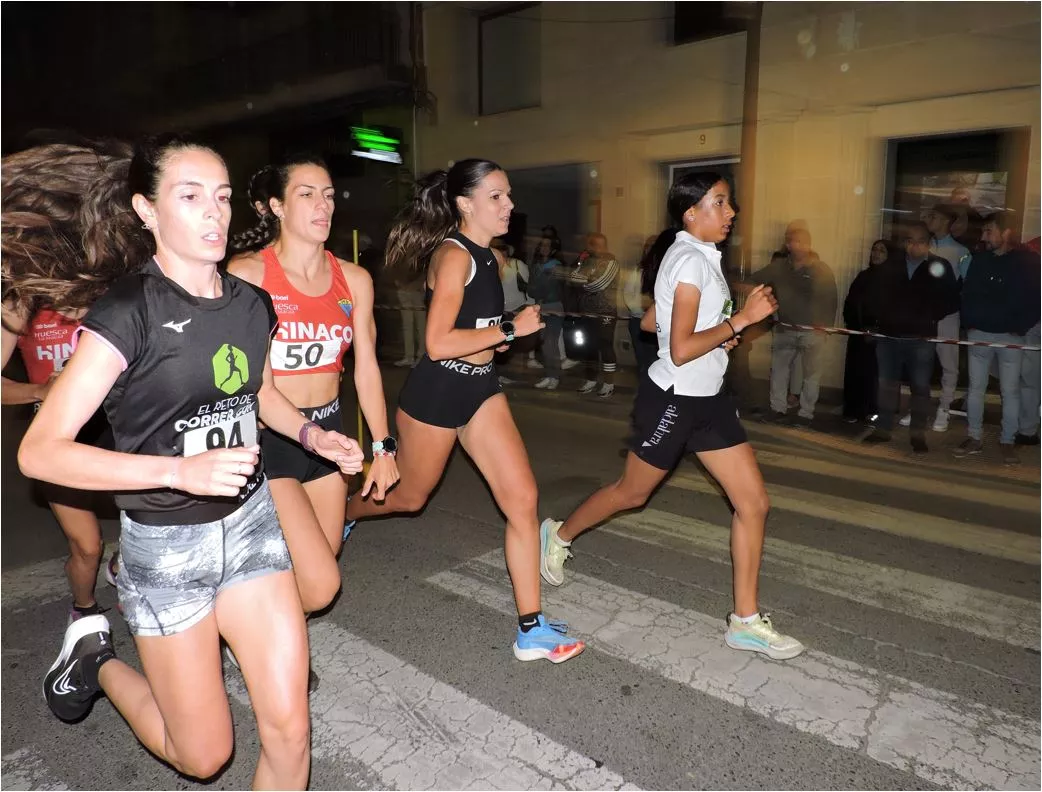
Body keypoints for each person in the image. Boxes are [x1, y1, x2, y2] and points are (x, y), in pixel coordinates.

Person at [11, 135, 364, 789]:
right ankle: (96, 659)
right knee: (203, 756)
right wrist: (177, 471)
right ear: (146, 210)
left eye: (223, 197)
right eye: (191, 196)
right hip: (169, 548)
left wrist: (316, 439)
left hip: (254, 529)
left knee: (291, 733)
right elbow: (40, 451)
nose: (214, 213)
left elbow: (259, 394)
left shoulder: (250, 304)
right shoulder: (127, 313)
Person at [539, 172, 805, 660]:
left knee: (754, 503)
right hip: (675, 400)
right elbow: (679, 349)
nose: (731, 212)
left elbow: (651, 321)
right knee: (631, 492)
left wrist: (719, 331)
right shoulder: (688, 261)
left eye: (729, 204)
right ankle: (557, 534)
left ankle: (744, 621)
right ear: (691, 212)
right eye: (720, 203)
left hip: (711, 400)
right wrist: (740, 321)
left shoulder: (698, 258)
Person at [344, 158, 585, 664]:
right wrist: (508, 332)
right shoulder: (454, 256)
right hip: (436, 396)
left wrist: (496, 339)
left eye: (509, 195)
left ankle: (530, 628)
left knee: (523, 498)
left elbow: (477, 326)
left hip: (480, 390)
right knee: (409, 497)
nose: (509, 206)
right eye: (496, 196)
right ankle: (344, 512)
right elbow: (435, 343)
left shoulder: (493, 259)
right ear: (464, 203)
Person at [228, 154, 399, 620]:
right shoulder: (249, 275)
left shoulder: (355, 280)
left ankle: (269, 650)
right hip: (270, 439)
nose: (323, 206)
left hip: (330, 436)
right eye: (306, 195)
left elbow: (366, 369)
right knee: (321, 585)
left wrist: (383, 448)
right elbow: (247, 381)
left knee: (315, 566)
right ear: (276, 207)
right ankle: (238, 634)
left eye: (327, 195)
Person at [2, 304, 115, 625]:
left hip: (119, 430)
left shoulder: (111, 291)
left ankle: (123, 566)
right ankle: (84, 611)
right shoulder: (22, 305)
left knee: (153, 525)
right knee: (88, 546)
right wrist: (40, 390)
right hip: (59, 438)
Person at [863, 221, 960, 453]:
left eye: (920, 242)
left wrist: (929, 317)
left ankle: (917, 434)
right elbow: (875, 296)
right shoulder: (891, 266)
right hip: (889, 336)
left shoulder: (939, 266)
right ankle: (883, 428)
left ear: (928, 243)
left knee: (920, 387)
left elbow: (952, 299)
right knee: (887, 384)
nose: (914, 246)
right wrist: (877, 322)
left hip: (921, 339)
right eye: (910, 241)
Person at [954, 211, 1041, 463]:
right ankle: (974, 436)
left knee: (1010, 390)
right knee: (976, 388)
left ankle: (1007, 440)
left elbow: (1035, 299)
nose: (984, 236)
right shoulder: (980, 260)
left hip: (1010, 336)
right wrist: (970, 324)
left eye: (988, 230)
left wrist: (1021, 326)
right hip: (979, 334)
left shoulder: (1027, 262)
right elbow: (968, 294)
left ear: (1006, 233)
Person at [751, 222, 838, 426]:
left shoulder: (820, 269)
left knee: (811, 375)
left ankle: (806, 414)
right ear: (788, 245)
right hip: (785, 328)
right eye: (795, 242)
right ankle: (777, 409)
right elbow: (754, 281)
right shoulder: (779, 267)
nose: (800, 246)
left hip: (813, 332)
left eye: (804, 242)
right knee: (779, 371)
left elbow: (831, 298)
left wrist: (825, 326)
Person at [926, 203, 972, 432]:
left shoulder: (961, 252)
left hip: (947, 315)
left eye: (933, 216)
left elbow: (967, 285)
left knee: (948, 363)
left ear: (945, 221)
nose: (928, 219)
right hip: (923, 314)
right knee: (921, 361)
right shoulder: (923, 245)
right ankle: (919, 408)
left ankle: (944, 409)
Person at [841, 239, 895, 423]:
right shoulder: (863, 276)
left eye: (882, 251)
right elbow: (850, 304)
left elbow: (892, 309)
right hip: (858, 334)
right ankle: (853, 410)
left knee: (875, 374)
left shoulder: (892, 280)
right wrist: (857, 326)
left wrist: (878, 328)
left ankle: (873, 410)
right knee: (856, 372)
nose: (876, 254)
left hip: (880, 337)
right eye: (874, 250)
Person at [571, 233, 621, 398]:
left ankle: (608, 383)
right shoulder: (586, 261)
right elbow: (572, 277)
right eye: (592, 244)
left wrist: (584, 283)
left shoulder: (611, 261)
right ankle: (590, 380)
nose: (595, 248)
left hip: (605, 311)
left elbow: (600, 283)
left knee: (605, 346)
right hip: (586, 311)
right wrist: (586, 279)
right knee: (589, 347)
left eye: (598, 244)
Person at [528, 225, 567, 390]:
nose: (543, 248)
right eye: (541, 245)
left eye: (547, 246)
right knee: (544, 343)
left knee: (551, 343)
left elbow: (548, 289)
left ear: (552, 249)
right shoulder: (537, 265)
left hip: (553, 307)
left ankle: (555, 376)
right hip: (540, 308)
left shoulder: (556, 265)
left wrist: (538, 286)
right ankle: (549, 375)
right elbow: (531, 289)